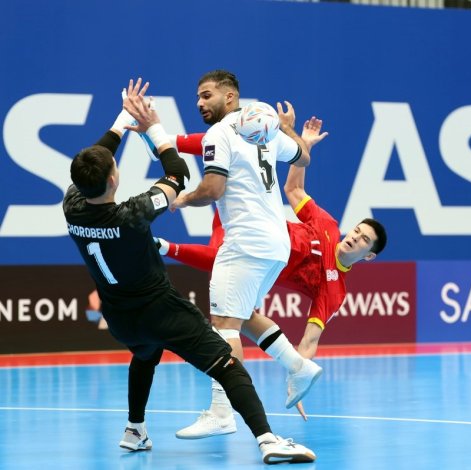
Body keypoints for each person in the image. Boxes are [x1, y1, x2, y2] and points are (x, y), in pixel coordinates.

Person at [63, 78, 315, 464]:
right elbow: (178, 174)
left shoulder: (73, 208)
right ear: (114, 178)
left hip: (120, 318)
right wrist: (140, 127)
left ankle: (134, 429)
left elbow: (91, 166)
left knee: (145, 354)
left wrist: (121, 124)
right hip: (162, 310)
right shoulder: (133, 214)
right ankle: (268, 440)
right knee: (227, 364)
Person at [155, 117, 387, 434]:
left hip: (259, 254)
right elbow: (293, 188)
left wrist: (298, 383)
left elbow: (310, 338)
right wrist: (302, 144)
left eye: (363, 240)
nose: (354, 238)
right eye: (357, 231)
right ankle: (273, 381)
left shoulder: (334, 290)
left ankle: (228, 406)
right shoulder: (328, 225)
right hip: (254, 231)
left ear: (368, 255)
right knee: (238, 316)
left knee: (229, 314)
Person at [169, 70, 324, 435]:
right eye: (197, 97)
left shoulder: (219, 134)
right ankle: (299, 366)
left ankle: (222, 412)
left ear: (230, 96)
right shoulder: (265, 129)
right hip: (276, 244)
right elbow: (303, 158)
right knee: (245, 316)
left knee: (224, 325)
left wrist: (184, 199)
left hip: (245, 241)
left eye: (206, 95)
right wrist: (287, 129)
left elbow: (213, 189)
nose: (199, 103)